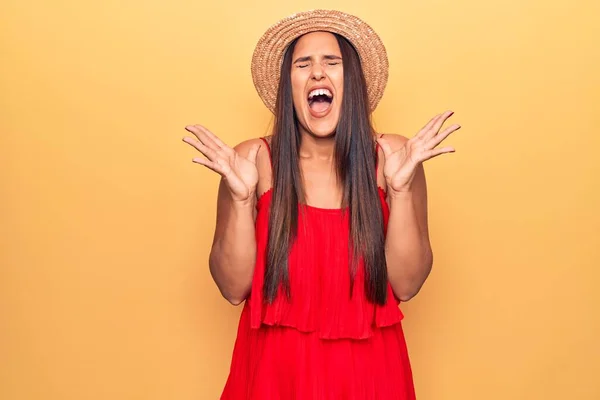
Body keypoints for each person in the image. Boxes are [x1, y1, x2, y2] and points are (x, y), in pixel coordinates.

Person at [182, 9, 459, 399]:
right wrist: (242, 200)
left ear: (353, 83)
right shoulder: (250, 162)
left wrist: (400, 190)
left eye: (332, 62)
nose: (317, 73)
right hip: (274, 380)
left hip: (372, 380)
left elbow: (408, 284)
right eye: (302, 64)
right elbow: (232, 288)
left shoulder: (393, 158)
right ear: (288, 85)